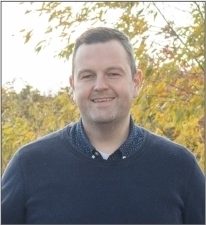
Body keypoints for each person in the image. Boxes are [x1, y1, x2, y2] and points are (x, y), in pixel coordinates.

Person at [2, 27, 205, 224]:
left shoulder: (179, 168)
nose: (100, 86)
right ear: (73, 86)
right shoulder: (29, 166)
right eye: (88, 75)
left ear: (136, 82)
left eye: (113, 74)